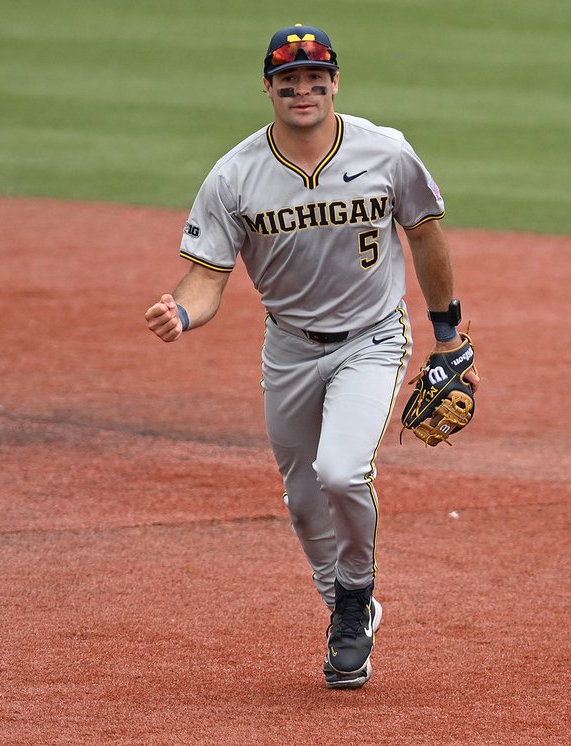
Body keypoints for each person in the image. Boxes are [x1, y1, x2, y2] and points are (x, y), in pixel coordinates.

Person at [144, 23, 479, 688]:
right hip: (289, 348)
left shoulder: (385, 151)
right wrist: (181, 311)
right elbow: (208, 277)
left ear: (334, 83)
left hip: (372, 338)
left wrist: (450, 335)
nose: (303, 90)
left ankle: (354, 595)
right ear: (268, 88)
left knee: (342, 472)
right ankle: (348, 614)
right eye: (288, 81)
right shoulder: (235, 174)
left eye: (315, 78)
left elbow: (425, 235)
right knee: (302, 501)